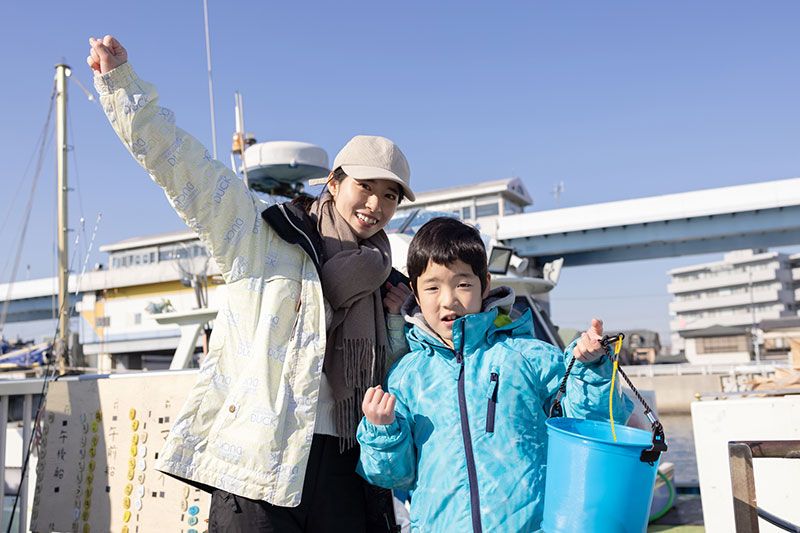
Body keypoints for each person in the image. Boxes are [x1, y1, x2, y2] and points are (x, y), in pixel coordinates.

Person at [87, 35, 414, 532]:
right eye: (365, 187)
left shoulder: (385, 277)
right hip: (259, 466)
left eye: (390, 196)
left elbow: (401, 370)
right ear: (334, 182)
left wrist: (396, 318)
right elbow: (186, 170)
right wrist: (121, 85)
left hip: (348, 465)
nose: (375, 205)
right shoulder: (265, 237)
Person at [357, 217, 633, 532]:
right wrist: (383, 431)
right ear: (416, 295)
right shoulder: (406, 376)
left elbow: (590, 427)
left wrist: (590, 369)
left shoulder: (528, 355)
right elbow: (394, 476)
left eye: (463, 284)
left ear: (485, 284)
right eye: (432, 287)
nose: (448, 300)